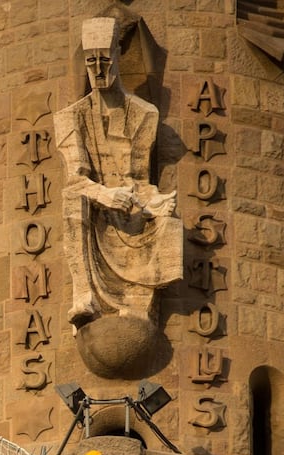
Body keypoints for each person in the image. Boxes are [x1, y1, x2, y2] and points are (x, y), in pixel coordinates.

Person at [54, 17, 182, 330]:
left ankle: (140, 304)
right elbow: (74, 180)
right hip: (97, 210)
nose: (98, 70)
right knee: (72, 201)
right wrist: (107, 196)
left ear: (118, 58)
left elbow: (140, 180)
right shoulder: (71, 117)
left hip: (131, 210)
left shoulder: (144, 114)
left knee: (168, 220)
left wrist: (157, 203)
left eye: (105, 60)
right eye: (91, 61)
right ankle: (85, 296)